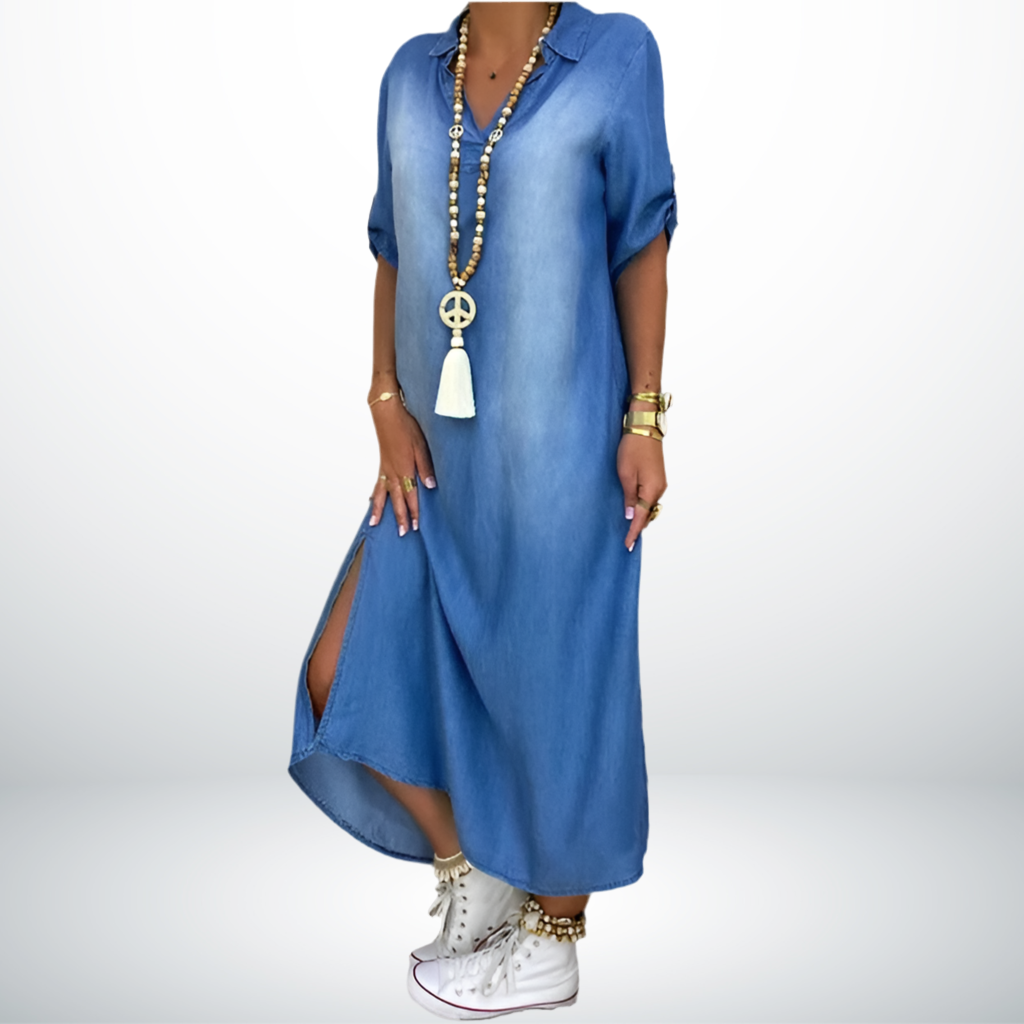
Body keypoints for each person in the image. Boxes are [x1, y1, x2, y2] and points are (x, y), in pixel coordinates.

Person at [288, 2, 676, 1017]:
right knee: (340, 669)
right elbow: (392, 247)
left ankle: (552, 943)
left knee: (557, 691)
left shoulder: (614, 57)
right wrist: (383, 400)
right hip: (432, 464)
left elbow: (641, 238)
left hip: (561, 465)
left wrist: (644, 416)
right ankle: (475, 871)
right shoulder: (409, 76)